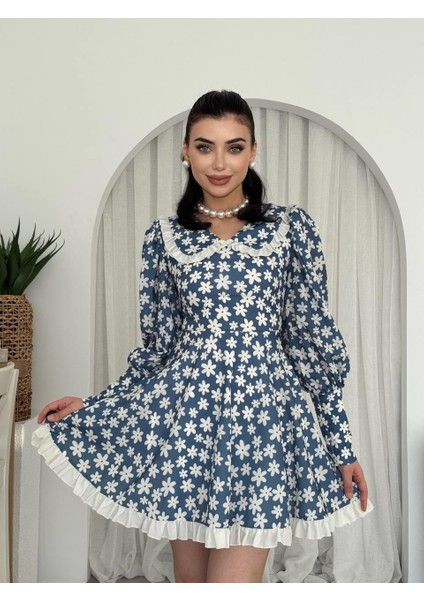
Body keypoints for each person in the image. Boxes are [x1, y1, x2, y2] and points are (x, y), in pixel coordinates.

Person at [33, 90, 372, 583]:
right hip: (186, 428)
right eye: (205, 146)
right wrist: (95, 405)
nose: (219, 163)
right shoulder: (163, 238)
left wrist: (342, 447)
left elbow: (310, 341)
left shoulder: (290, 229)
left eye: (234, 147)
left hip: (261, 428)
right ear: (185, 151)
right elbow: (157, 350)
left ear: (253, 151)